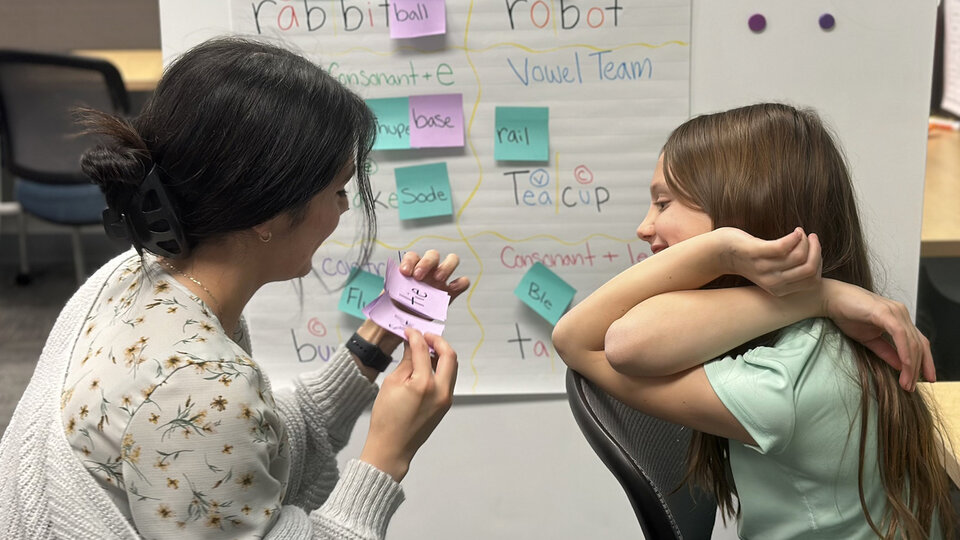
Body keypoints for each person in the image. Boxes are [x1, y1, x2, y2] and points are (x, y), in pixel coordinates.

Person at [0, 37, 470, 539]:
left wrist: (374, 343)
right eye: (337, 191)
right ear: (267, 213)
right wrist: (387, 454)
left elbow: (230, 454)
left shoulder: (137, 276)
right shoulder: (202, 382)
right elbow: (212, 417)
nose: (345, 209)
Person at [552, 103, 956, 539]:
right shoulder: (807, 338)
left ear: (743, 212)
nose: (645, 226)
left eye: (663, 203)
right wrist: (821, 295)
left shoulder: (794, 379)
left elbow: (592, 340)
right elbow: (591, 338)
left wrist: (725, 251)